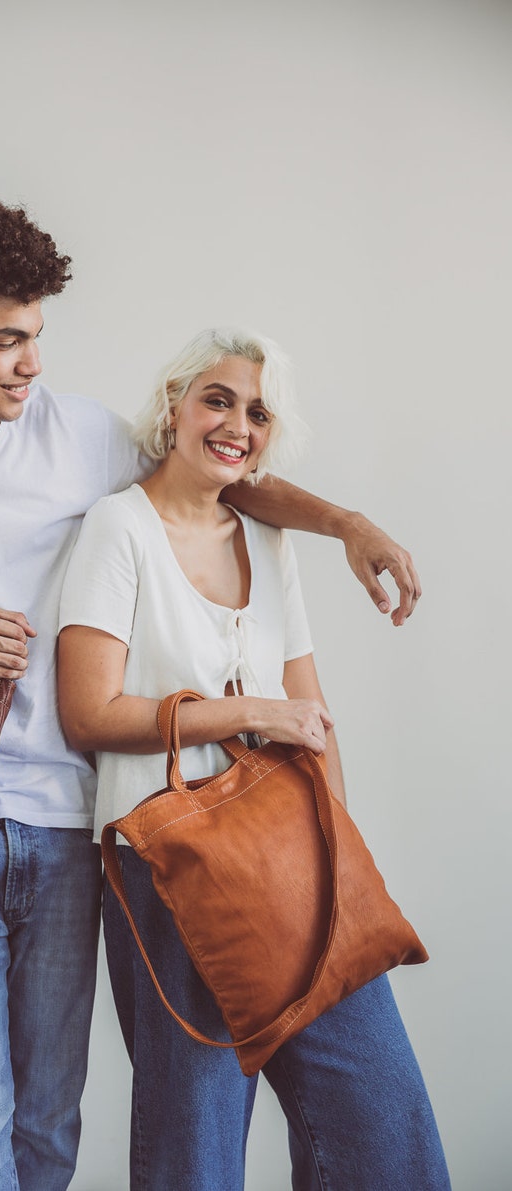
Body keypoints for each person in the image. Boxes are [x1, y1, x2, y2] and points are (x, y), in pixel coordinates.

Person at [0, 194, 424, 1191]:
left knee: (44, 1125)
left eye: (37, 336)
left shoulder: (74, 436)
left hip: (66, 831)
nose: (33, 363)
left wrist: (347, 526)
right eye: (7, 341)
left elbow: (219, 475)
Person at [57, 328, 450, 1191]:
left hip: (295, 867)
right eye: (219, 399)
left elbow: (314, 723)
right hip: (167, 870)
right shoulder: (118, 527)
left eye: (259, 411)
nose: (238, 423)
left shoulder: (267, 539)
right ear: (174, 406)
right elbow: (88, 710)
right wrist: (245, 711)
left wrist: (339, 861)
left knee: (389, 1136)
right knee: (193, 1151)